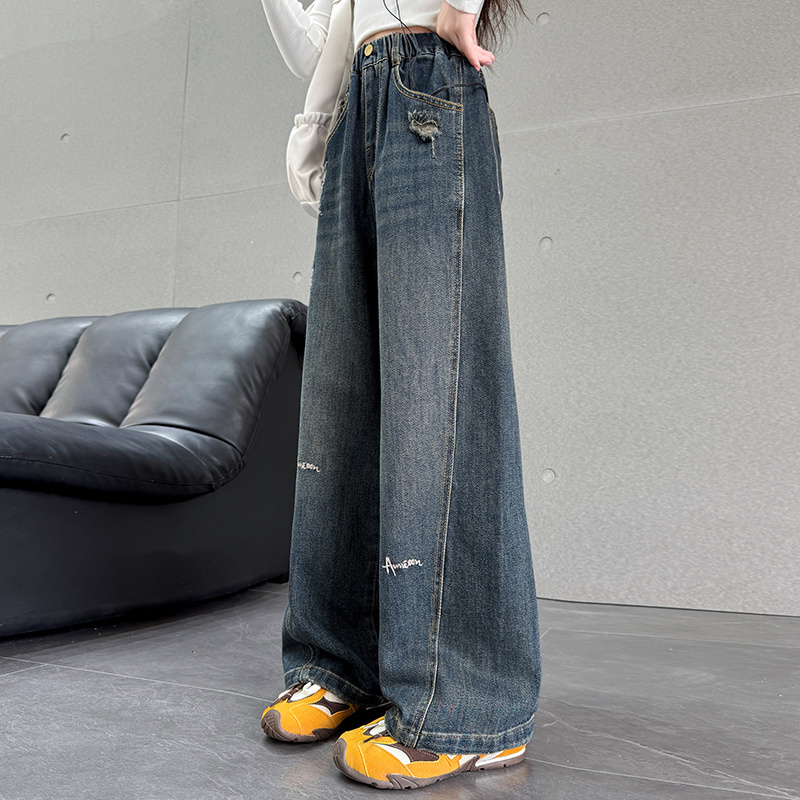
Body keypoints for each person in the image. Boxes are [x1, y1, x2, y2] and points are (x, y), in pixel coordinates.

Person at [259, 0, 542, 789]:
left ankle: (468, 706)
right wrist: (319, 127)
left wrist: (460, 8)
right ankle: (340, 664)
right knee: (341, 405)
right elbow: (318, 45)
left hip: (427, 83)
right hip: (361, 103)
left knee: (438, 398)